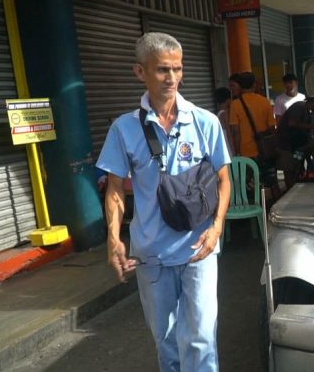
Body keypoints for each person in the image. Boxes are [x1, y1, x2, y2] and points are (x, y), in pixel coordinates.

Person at [97, 32, 231, 372]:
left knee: (201, 338)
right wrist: (114, 238)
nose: (171, 78)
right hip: (151, 254)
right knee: (166, 340)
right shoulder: (123, 129)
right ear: (140, 72)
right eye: (162, 70)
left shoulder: (205, 122)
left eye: (177, 69)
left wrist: (216, 228)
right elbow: (114, 189)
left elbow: (223, 180)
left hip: (199, 249)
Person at [229, 71, 281, 199]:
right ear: (254, 84)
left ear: (240, 86)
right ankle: (279, 209)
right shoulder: (265, 102)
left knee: (250, 187)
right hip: (265, 152)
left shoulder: (235, 104)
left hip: (246, 153)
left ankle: (253, 215)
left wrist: (236, 152)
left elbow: (235, 132)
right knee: (273, 183)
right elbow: (272, 127)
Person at [276, 96, 314, 189]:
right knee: (288, 168)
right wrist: (311, 126)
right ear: (313, 103)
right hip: (285, 144)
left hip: (295, 146)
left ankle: (294, 185)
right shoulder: (299, 107)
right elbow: (292, 124)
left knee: (295, 165)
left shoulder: (307, 112)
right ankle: (289, 190)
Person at [215, 86, 233, 154]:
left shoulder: (219, 113)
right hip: (227, 145)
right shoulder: (224, 114)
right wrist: (234, 151)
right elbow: (229, 134)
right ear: (228, 99)